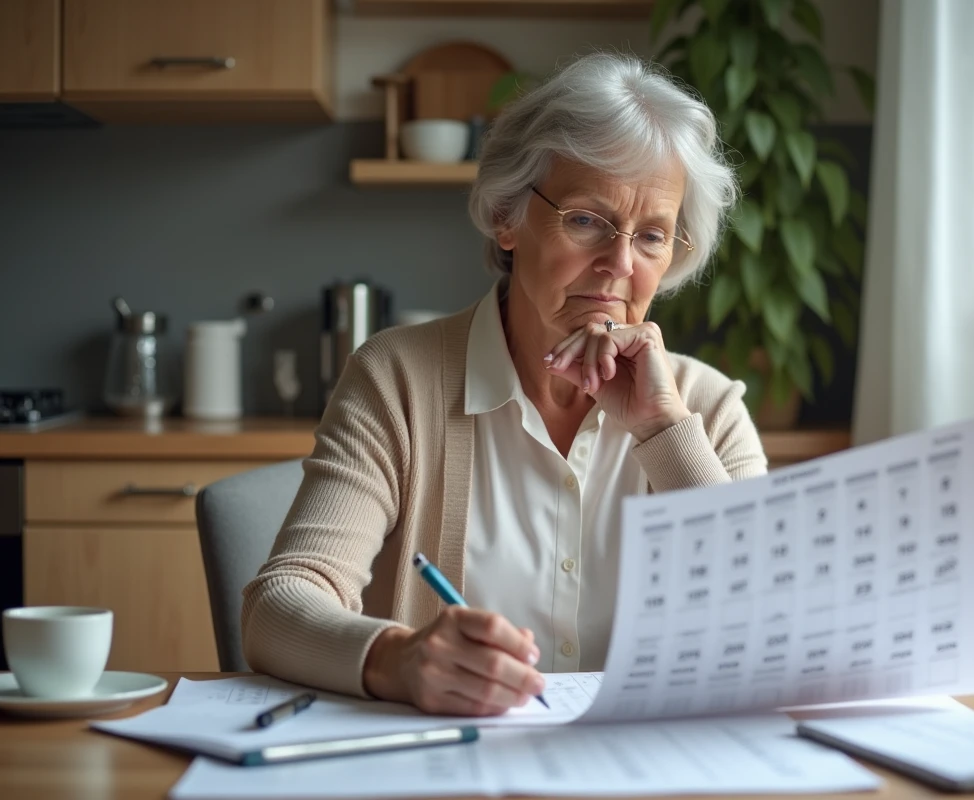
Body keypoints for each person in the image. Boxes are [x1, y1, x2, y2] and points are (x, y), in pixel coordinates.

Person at [241, 52, 768, 717]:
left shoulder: (710, 408)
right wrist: (398, 660)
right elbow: (280, 605)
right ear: (506, 217)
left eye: (653, 236)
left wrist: (665, 432)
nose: (619, 266)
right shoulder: (398, 380)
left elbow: (781, 624)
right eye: (585, 220)